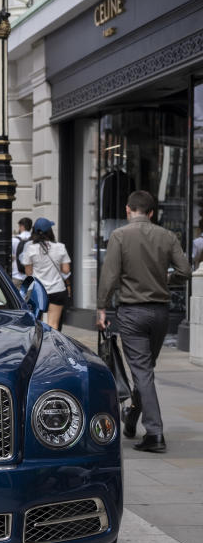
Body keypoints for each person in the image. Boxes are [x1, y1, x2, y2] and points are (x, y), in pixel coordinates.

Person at [97, 190, 191, 453]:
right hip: (161, 313)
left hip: (132, 312)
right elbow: (184, 271)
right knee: (145, 370)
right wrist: (165, 280)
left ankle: (155, 433)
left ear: (128, 210)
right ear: (151, 213)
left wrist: (101, 308)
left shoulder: (119, 236)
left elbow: (110, 276)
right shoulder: (167, 236)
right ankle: (131, 420)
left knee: (142, 371)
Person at [21, 217, 71, 330]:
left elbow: (29, 273)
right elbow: (66, 270)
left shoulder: (30, 249)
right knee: (53, 325)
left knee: (37, 324)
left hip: (38, 291)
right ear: (50, 231)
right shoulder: (60, 247)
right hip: (57, 289)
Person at [11, 217, 33, 286]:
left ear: (22, 226)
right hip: (30, 276)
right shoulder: (33, 240)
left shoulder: (14, 240)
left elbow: (11, 256)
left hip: (17, 275)